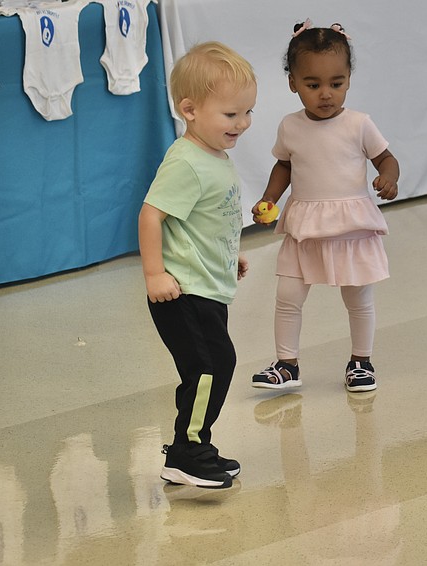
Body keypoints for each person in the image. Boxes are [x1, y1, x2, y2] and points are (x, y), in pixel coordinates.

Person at [251, 19, 399, 393]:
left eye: (336, 83)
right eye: (312, 85)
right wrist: (269, 198)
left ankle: (361, 361)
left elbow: (385, 158)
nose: (326, 94)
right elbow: (284, 166)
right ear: (293, 83)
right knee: (288, 295)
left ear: (348, 79)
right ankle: (287, 364)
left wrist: (389, 178)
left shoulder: (359, 124)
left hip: (350, 226)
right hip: (304, 225)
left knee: (358, 296)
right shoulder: (290, 126)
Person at [138, 41, 257, 489]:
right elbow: (151, 215)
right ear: (189, 110)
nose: (242, 123)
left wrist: (229, 252)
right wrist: (155, 274)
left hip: (207, 285)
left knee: (212, 365)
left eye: (248, 112)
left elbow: (205, 218)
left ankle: (193, 447)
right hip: (182, 291)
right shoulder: (186, 162)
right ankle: (188, 452)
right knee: (210, 366)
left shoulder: (213, 156)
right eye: (231, 114)